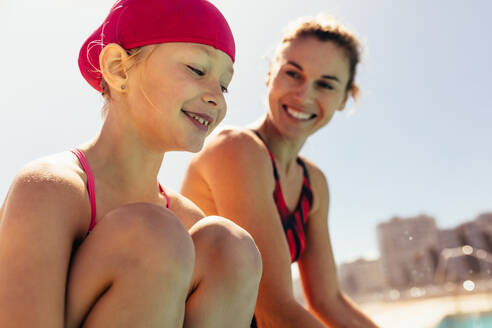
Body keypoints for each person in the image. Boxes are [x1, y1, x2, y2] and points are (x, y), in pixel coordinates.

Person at [0, 0, 262, 327]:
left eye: (224, 85)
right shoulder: (48, 189)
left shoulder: (189, 222)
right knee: (152, 235)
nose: (217, 98)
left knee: (231, 246)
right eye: (197, 70)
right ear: (118, 68)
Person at [181, 16, 379, 328]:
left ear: (344, 98)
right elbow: (274, 310)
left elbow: (329, 301)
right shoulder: (235, 149)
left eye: (326, 84)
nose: (304, 95)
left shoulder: (313, 183)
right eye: (292, 74)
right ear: (270, 73)